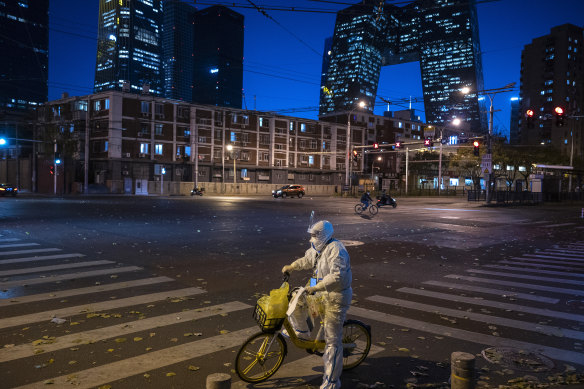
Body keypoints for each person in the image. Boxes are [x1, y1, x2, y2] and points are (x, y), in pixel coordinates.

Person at [282, 220, 352, 389]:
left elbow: (337, 277)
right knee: (296, 299)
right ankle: (302, 333)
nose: (312, 239)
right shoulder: (318, 248)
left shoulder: (337, 250)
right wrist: (292, 266)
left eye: (314, 235)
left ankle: (331, 382)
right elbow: (307, 260)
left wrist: (315, 287)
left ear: (324, 235)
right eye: (311, 235)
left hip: (336, 297)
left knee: (332, 341)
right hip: (319, 292)